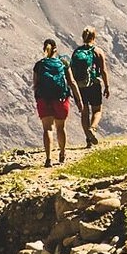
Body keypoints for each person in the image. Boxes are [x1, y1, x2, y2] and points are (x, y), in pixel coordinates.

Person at [33, 38, 83, 167]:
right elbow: (72, 82)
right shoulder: (63, 63)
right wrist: (79, 100)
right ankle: (62, 153)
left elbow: (35, 84)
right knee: (60, 127)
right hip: (61, 99)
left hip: (44, 100)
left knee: (47, 129)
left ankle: (48, 158)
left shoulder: (39, 65)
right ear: (56, 49)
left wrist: (39, 98)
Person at [71, 27, 110, 148]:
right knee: (97, 110)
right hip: (94, 85)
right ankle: (92, 129)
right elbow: (103, 70)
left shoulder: (76, 52)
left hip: (80, 86)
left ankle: (88, 139)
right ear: (94, 37)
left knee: (84, 112)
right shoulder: (97, 51)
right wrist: (107, 86)